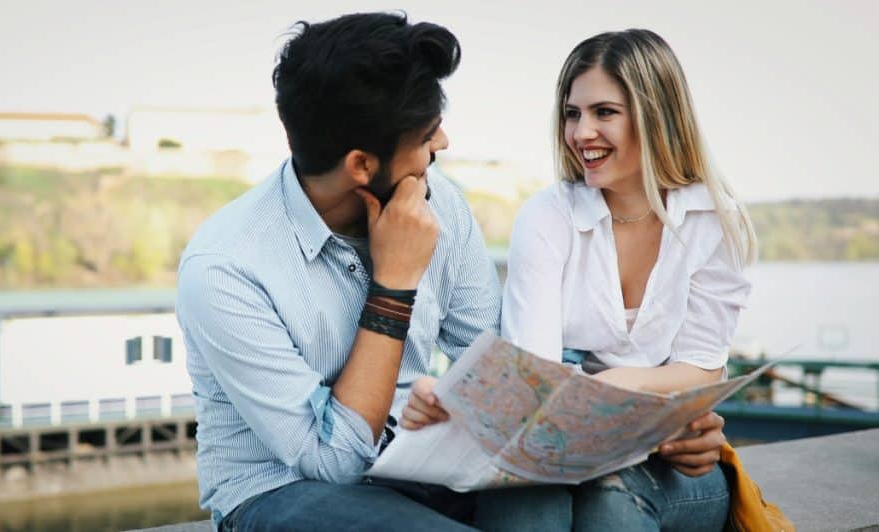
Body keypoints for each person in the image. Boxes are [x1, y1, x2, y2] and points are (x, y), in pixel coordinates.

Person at [179, 14, 730, 531]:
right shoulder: (226, 268)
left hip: (424, 462)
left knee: (538, 508)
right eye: (426, 137)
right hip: (285, 489)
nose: (442, 144)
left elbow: (507, 370)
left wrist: (655, 419)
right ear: (360, 166)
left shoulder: (441, 202)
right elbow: (331, 458)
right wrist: (393, 285)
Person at [404, 29, 755, 531]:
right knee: (526, 500)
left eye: (604, 113)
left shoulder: (712, 221)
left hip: (671, 457)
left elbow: (701, 369)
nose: (581, 132)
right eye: (573, 114)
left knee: (609, 503)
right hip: (564, 445)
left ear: (656, 115)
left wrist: (611, 386)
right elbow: (534, 372)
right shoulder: (549, 217)